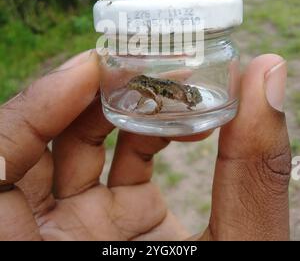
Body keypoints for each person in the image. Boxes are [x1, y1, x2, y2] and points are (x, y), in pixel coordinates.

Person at [0, 50, 290, 241]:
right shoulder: (143, 87)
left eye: (138, 86)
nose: (136, 88)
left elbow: (158, 99)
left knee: (187, 96)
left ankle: (191, 103)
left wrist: (154, 108)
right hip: (169, 91)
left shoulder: (155, 89)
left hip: (180, 94)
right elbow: (148, 94)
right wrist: (144, 101)